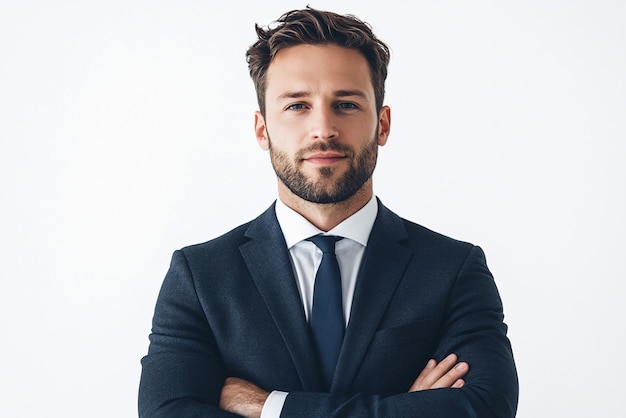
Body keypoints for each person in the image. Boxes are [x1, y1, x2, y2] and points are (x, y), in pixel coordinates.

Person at [138, 7, 518, 417]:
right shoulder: (200, 277)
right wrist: (403, 409)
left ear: (383, 124)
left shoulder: (453, 269)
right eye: (297, 106)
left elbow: (484, 408)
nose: (323, 128)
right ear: (262, 129)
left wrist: (272, 407)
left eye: (347, 105)